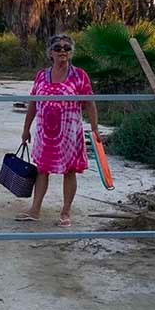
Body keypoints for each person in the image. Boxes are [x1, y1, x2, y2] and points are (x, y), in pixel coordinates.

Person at [16, 34, 99, 228]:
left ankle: (66, 211)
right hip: (45, 134)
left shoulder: (79, 75)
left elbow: (90, 104)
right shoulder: (41, 76)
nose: (63, 51)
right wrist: (26, 129)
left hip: (70, 134)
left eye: (67, 48)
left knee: (69, 171)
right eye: (58, 48)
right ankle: (35, 210)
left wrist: (94, 129)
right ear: (50, 52)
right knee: (42, 170)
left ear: (71, 53)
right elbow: (33, 104)